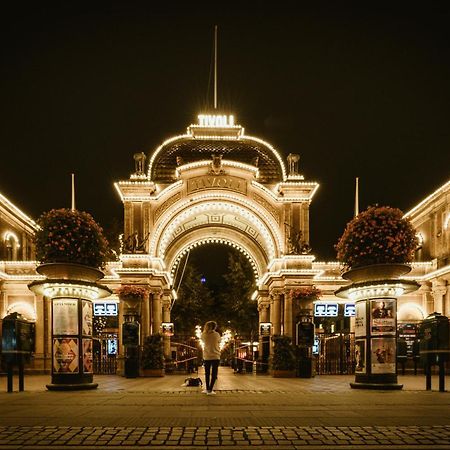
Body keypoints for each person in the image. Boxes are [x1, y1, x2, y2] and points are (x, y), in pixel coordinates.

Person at [201, 321, 221, 395]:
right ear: (214, 327)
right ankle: (210, 390)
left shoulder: (203, 335)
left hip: (207, 356)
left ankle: (207, 388)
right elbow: (219, 341)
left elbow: (202, 340)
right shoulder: (217, 334)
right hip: (216, 356)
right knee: (214, 373)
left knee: (207, 373)